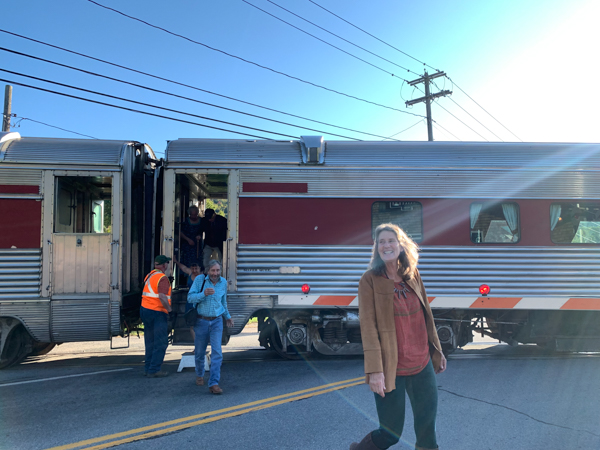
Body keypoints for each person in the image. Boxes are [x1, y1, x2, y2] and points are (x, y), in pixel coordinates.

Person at [350, 224, 446, 450]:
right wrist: (375, 371)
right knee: (390, 433)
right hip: (391, 367)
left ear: (401, 245)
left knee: (427, 430)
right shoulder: (369, 280)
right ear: (376, 248)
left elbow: (427, 315)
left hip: (422, 364)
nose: (386, 245)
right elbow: (368, 326)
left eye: (391, 240)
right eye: (381, 242)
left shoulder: (412, 274)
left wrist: (437, 351)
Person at [187, 259, 234, 394]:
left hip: (217, 321)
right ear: (208, 271)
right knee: (200, 352)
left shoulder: (223, 282)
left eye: (218, 270)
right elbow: (190, 298)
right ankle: (200, 374)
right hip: (201, 321)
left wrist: (228, 317)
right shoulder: (200, 280)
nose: (215, 273)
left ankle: (214, 383)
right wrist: (203, 294)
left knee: (217, 352)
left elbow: (223, 303)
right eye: (213, 270)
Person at [140, 255, 173, 378]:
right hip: (157, 312)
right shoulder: (162, 278)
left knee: (150, 341)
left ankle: (148, 368)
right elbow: (162, 296)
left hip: (145, 310)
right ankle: (154, 370)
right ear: (164, 265)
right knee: (161, 342)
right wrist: (170, 311)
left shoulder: (150, 275)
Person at [173, 257, 203, 339]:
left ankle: (201, 344)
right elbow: (183, 268)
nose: (194, 270)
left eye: (196, 268)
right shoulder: (190, 273)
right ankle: (196, 345)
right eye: (192, 268)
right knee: (192, 325)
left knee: (201, 324)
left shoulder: (204, 277)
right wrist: (176, 261)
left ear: (200, 268)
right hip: (190, 302)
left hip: (200, 303)